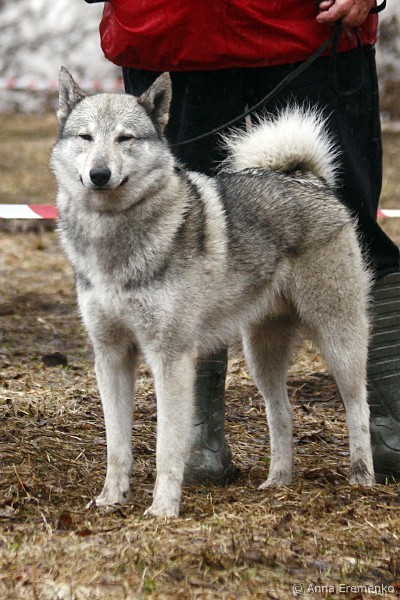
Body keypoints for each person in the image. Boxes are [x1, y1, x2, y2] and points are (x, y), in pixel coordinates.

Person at [85, 0, 400, 483]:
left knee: (353, 226)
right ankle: (197, 436)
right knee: (180, 250)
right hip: (175, 34)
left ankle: (389, 425)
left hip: (311, 31)